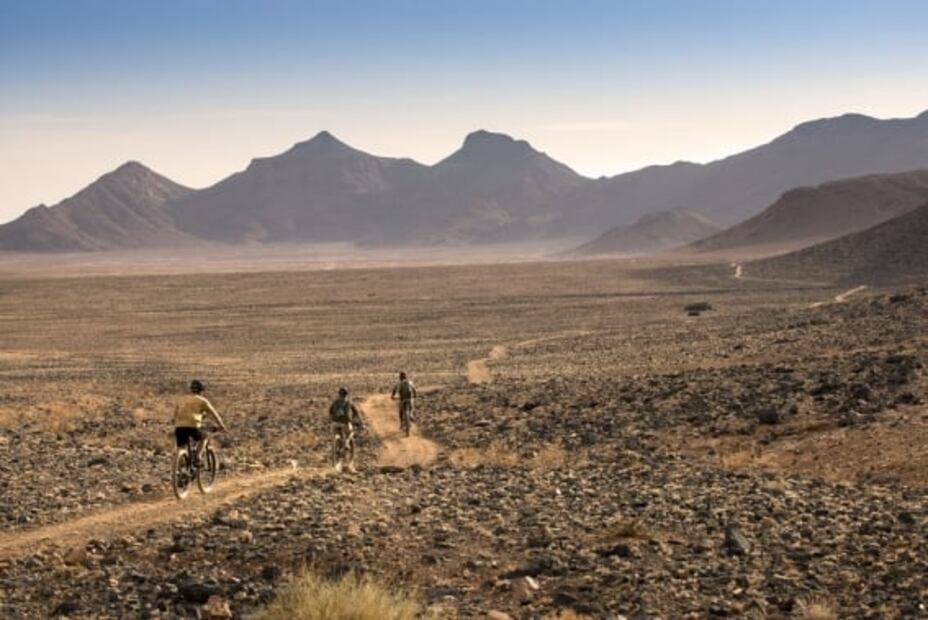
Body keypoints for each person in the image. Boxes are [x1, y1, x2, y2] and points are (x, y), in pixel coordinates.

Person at [174, 379, 227, 465]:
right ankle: (198, 457)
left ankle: (180, 463)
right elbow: (214, 414)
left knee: (181, 446)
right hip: (193, 426)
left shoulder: (182, 399)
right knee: (204, 437)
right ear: (201, 390)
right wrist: (221, 425)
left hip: (179, 426)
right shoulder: (202, 400)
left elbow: (175, 414)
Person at [329, 386, 364, 469]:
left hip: (334, 423)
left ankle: (337, 446)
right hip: (345, 423)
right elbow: (356, 413)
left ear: (339, 394)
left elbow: (330, 411)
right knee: (351, 433)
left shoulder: (335, 402)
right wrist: (360, 423)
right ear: (346, 394)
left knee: (336, 434)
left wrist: (332, 419)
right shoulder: (349, 402)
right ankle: (347, 443)